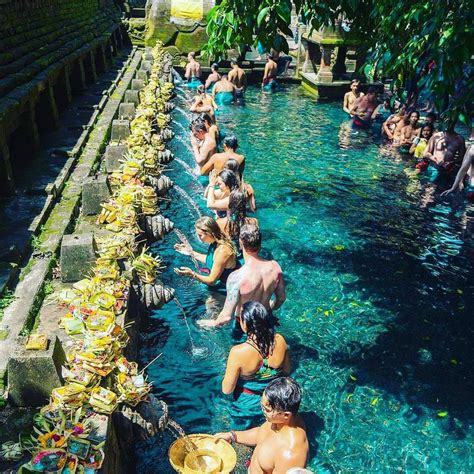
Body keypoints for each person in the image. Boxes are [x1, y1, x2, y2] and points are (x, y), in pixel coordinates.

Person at [197, 224, 286, 329]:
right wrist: (270, 307)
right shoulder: (275, 267)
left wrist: (206, 323)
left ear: (241, 243)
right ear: (260, 243)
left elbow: (226, 317)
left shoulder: (237, 277)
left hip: (244, 324)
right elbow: (281, 298)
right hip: (266, 317)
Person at [215, 377, 309, 473]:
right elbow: (261, 433)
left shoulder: (290, 455)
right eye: (262, 406)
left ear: (286, 415)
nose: (262, 411)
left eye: (267, 410)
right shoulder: (279, 420)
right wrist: (232, 436)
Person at [222, 302, 291, 429]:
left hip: (247, 405)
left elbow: (227, 390)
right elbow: (287, 371)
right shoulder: (280, 340)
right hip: (274, 401)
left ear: (245, 323)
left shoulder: (238, 352)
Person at [174, 216, 239, 293]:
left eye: (200, 235)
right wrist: (190, 252)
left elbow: (212, 280)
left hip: (227, 288)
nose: (198, 238)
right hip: (220, 282)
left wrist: (192, 274)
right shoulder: (215, 242)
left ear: (209, 233)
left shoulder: (222, 251)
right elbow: (212, 260)